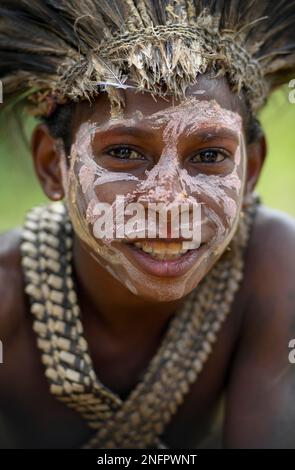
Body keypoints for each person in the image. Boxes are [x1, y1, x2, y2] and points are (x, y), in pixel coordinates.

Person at [0, 0, 295, 449]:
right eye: (123, 153)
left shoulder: (273, 270)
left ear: (250, 172)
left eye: (210, 156)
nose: (170, 202)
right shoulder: (8, 299)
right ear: (50, 164)